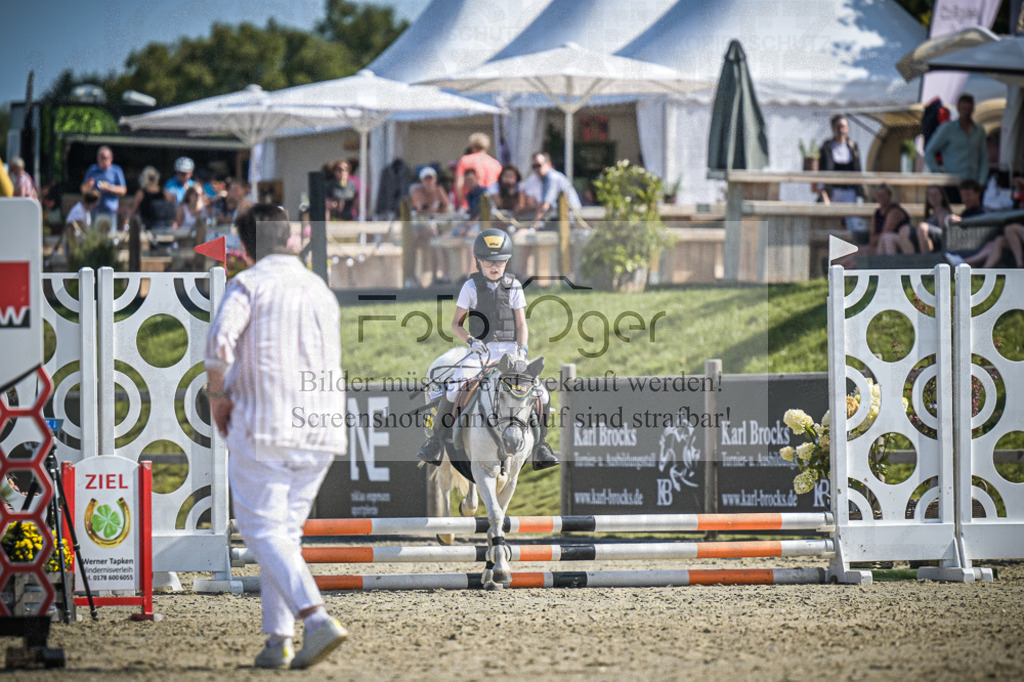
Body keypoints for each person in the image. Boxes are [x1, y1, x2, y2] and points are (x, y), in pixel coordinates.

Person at [204, 204, 348, 670]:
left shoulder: (247, 283)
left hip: (266, 421)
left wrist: (218, 398)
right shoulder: (320, 288)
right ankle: (278, 639)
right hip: (322, 425)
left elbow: (219, 346)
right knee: (283, 535)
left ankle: (316, 617)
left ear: (243, 248)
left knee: (262, 530)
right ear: (290, 239)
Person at [417, 228, 559, 471]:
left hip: (511, 353)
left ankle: (541, 446)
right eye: (489, 261)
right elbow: (456, 324)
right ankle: (436, 442)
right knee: (453, 389)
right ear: (479, 261)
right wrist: (471, 340)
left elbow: (521, 323)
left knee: (542, 394)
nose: (495, 266)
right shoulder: (470, 287)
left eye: (501, 261)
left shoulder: (514, 285)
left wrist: (522, 351)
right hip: (481, 352)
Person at [924, 93, 989, 202]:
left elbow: (983, 157)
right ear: (958, 109)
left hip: (973, 184)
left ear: (973, 109)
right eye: (963, 109)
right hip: (953, 184)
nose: (966, 112)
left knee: (974, 216)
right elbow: (929, 151)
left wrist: (982, 181)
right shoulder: (947, 129)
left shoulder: (979, 131)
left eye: (969, 109)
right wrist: (939, 175)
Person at [530, 152, 582, 226]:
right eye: (534, 166)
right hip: (560, 217)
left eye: (539, 165)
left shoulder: (552, 177)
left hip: (570, 219)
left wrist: (534, 226)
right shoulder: (544, 179)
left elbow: (545, 205)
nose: (536, 169)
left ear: (548, 164)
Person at [80, 146, 127, 228]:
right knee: (94, 237)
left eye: (106, 158)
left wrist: (110, 188)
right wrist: (89, 185)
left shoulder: (116, 170)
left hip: (110, 211)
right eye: (102, 158)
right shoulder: (92, 170)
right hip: (94, 210)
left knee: (110, 237)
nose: (104, 160)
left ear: (111, 158)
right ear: (97, 158)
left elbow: (123, 190)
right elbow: (83, 190)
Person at [454, 133, 502, 211]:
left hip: (472, 205)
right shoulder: (496, 164)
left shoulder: (465, 160)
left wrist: (463, 204)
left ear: (472, 146)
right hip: (491, 204)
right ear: (487, 147)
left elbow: (459, 185)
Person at [898, 185, 951, 255]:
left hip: (940, 241)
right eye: (930, 194)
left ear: (942, 196)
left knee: (922, 227)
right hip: (924, 238)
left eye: (936, 194)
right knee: (904, 230)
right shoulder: (930, 215)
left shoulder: (946, 213)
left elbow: (945, 234)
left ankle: (926, 259)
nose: (933, 197)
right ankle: (912, 260)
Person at [868, 184, 911, 256]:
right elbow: (871, 239)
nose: (880, 197)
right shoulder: (877, 213)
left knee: (886, 238)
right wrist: (874, 240)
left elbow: (885, 233)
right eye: (878, 195)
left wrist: (875, 240)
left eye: (883, 195)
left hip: (900, 244)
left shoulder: (895, 211)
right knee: (857, 252)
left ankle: (891, 265)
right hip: (880, 244)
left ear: (889, 195)